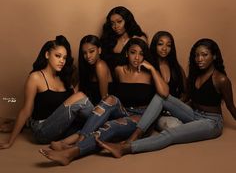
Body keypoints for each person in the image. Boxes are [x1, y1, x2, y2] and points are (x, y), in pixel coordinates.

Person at [96, 38, 236, 158]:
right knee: (161, 96)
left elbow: (231, 107)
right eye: (196, 55)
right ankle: (134, 136)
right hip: (194, 114)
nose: (199, 59)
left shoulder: (221, 79)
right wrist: (172, 107)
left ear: (214, 56)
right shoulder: (195, 75)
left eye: (204, 55)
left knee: (170, 134)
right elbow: (186, 97)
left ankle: (126, 148)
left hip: (211, 122)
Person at [39, 37, 169, 165]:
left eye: (141, 54)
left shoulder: (150, 74)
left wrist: (152, 69)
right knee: (110, 99)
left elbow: (164, 93)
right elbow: (108, 93)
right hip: (123, 110)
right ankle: (79, 142)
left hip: (142, 116)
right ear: (126, 53)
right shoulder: (119, 71)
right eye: (133, 52)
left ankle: (72, 152)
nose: (137, 57)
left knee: (110, 125)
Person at [0, 35, 93, 149]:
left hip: (61, 129)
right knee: (82, 99)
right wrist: (9, 142)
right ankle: (106, 123)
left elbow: (74, 108)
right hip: (42, 130)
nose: (62, 61)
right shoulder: (36, 78)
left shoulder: (64, 78)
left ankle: (64, 144)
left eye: (64, 58)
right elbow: (26, 111)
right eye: (58, 56)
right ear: (47, 55)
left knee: (91, 127)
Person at [150, 31, 188, 130]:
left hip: (175, 110)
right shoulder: (149, 67)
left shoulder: (177, 68)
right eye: (160, 44)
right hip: (156, 113)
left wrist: (176, 105)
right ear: (154, 45)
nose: (164, 48)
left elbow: (185, 93)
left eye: (168, 45)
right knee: (174, 126)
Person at [100, 6, 147, 71]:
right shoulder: (108, 39)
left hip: (130, 79)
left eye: (119, 22)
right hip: (110, 79)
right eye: (112, 23)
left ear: (127, 21)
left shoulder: (139, 39)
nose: (116, 26)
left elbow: (144, 64)